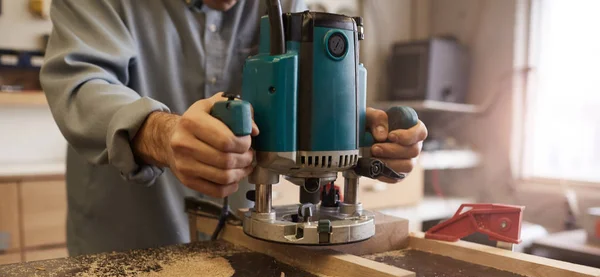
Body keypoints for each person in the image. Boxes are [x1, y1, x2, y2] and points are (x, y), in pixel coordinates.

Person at [41, 0, 428, 256]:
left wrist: (347, 128)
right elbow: (80, 86)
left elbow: (301, 90)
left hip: (245, 246)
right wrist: (160, 133)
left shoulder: (289, 5)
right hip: (125, 244)